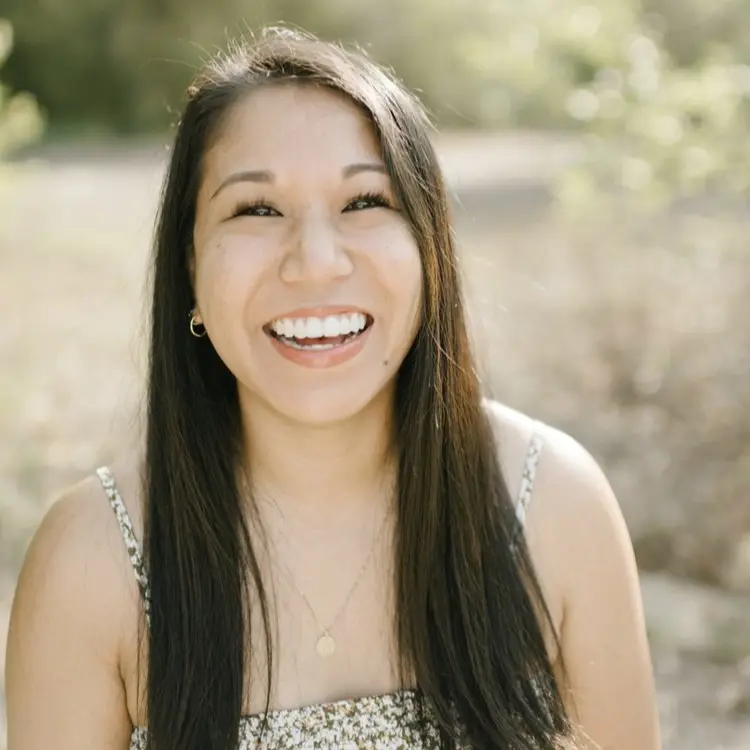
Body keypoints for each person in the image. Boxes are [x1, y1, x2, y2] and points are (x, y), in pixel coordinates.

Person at [5, 28, 661, 750]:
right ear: (190, 268)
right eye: (256, 210)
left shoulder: (551, 506)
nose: (315, 262)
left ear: (430, 249)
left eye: (364, 202)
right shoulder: (95, 563)